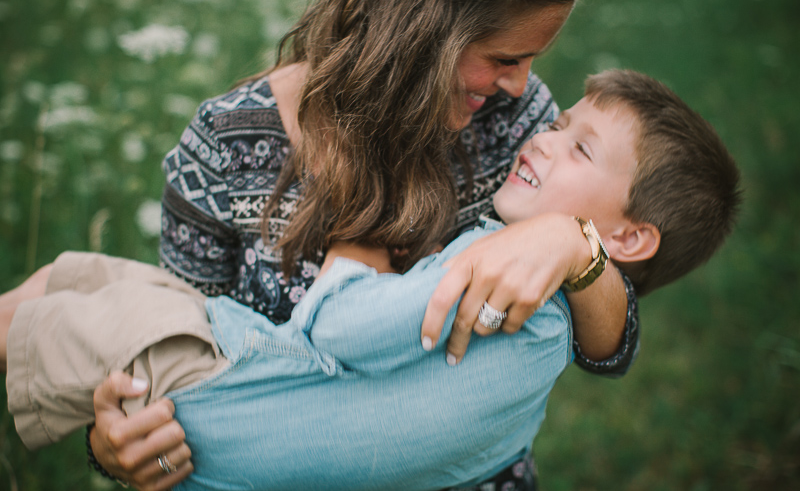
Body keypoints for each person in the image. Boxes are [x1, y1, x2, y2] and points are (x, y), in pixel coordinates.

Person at [3, 70, 741, 490]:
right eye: (564, 128)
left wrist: (361, 252)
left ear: (625, 236)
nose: (539, 127)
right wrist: (110, 447)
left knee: (42, 312)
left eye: (575, 142)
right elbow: (178, 316)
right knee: (70, 282)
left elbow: (342, 327)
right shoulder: (231, 140)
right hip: (225, 388)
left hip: (229, 393)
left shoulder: (508, 241)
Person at [85, 0, 637, 489]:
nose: (519, 85)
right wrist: (113, 444)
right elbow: (164, 334)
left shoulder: (517, 127)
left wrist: (576, 246)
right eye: (505, 58)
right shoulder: (227, 144)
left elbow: (608, 349)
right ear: (420, 26)